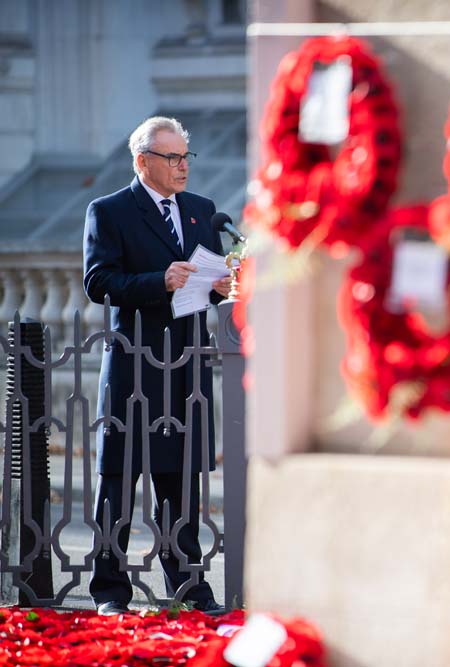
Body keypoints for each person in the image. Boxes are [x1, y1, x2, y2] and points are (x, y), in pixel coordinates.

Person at [83, 116, 230, 616]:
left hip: (186, 365)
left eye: (186, 156)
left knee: (180, 482)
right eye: (172, 157)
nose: (183, 166)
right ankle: (109, 592)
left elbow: (208, 282)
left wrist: (221, 286)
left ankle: (190, 589)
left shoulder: (202, 210)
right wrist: (158, 281)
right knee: (117, 481)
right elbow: (98, 281)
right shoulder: (110, 211)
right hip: (134, 364)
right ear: (142, 161)